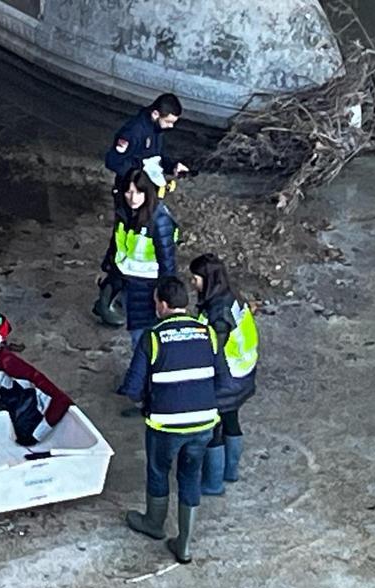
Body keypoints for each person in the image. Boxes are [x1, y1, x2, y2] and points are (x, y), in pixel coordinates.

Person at [118, 278, 227, 564]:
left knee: (158, 471)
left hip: (165, 425)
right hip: (204, 424)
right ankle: (185, 544)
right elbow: (224, 379)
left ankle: (154, 524)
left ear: (163, 305)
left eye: (156, 302)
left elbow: (131, 389)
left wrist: (148, 402)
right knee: (190, 475)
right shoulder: (208, 333)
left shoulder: (153, 337)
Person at [190, 254, 259, 495]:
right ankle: (231, 471)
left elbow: (215, 352)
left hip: (226, 377)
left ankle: (213, 483)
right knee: (231, 421)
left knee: (214, 430)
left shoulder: (218, 312)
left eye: (196, 278)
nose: (193, 283)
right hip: (243, 370)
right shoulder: (232, 298)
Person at [101, 168, 178, 351]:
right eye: (128, 191)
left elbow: (168, 263)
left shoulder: (159, 221)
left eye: (138, 192)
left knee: (142, 338)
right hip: (126, 281)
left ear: (148, 192)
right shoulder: (124, 213)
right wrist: (106, 267)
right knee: (136, 333)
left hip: (148, 288)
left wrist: (164, 295)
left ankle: (144, 376)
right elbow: (116, 243)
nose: (132, 197)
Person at [103, 93, 189, 202]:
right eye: (168, 122)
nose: (171, 126)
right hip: (130, 189)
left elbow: (157, 156)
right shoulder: (133, 133)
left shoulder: (156, 129)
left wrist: (173, 167)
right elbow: (113, 161)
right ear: (155, 114)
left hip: (146, 188)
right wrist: (138, 176)